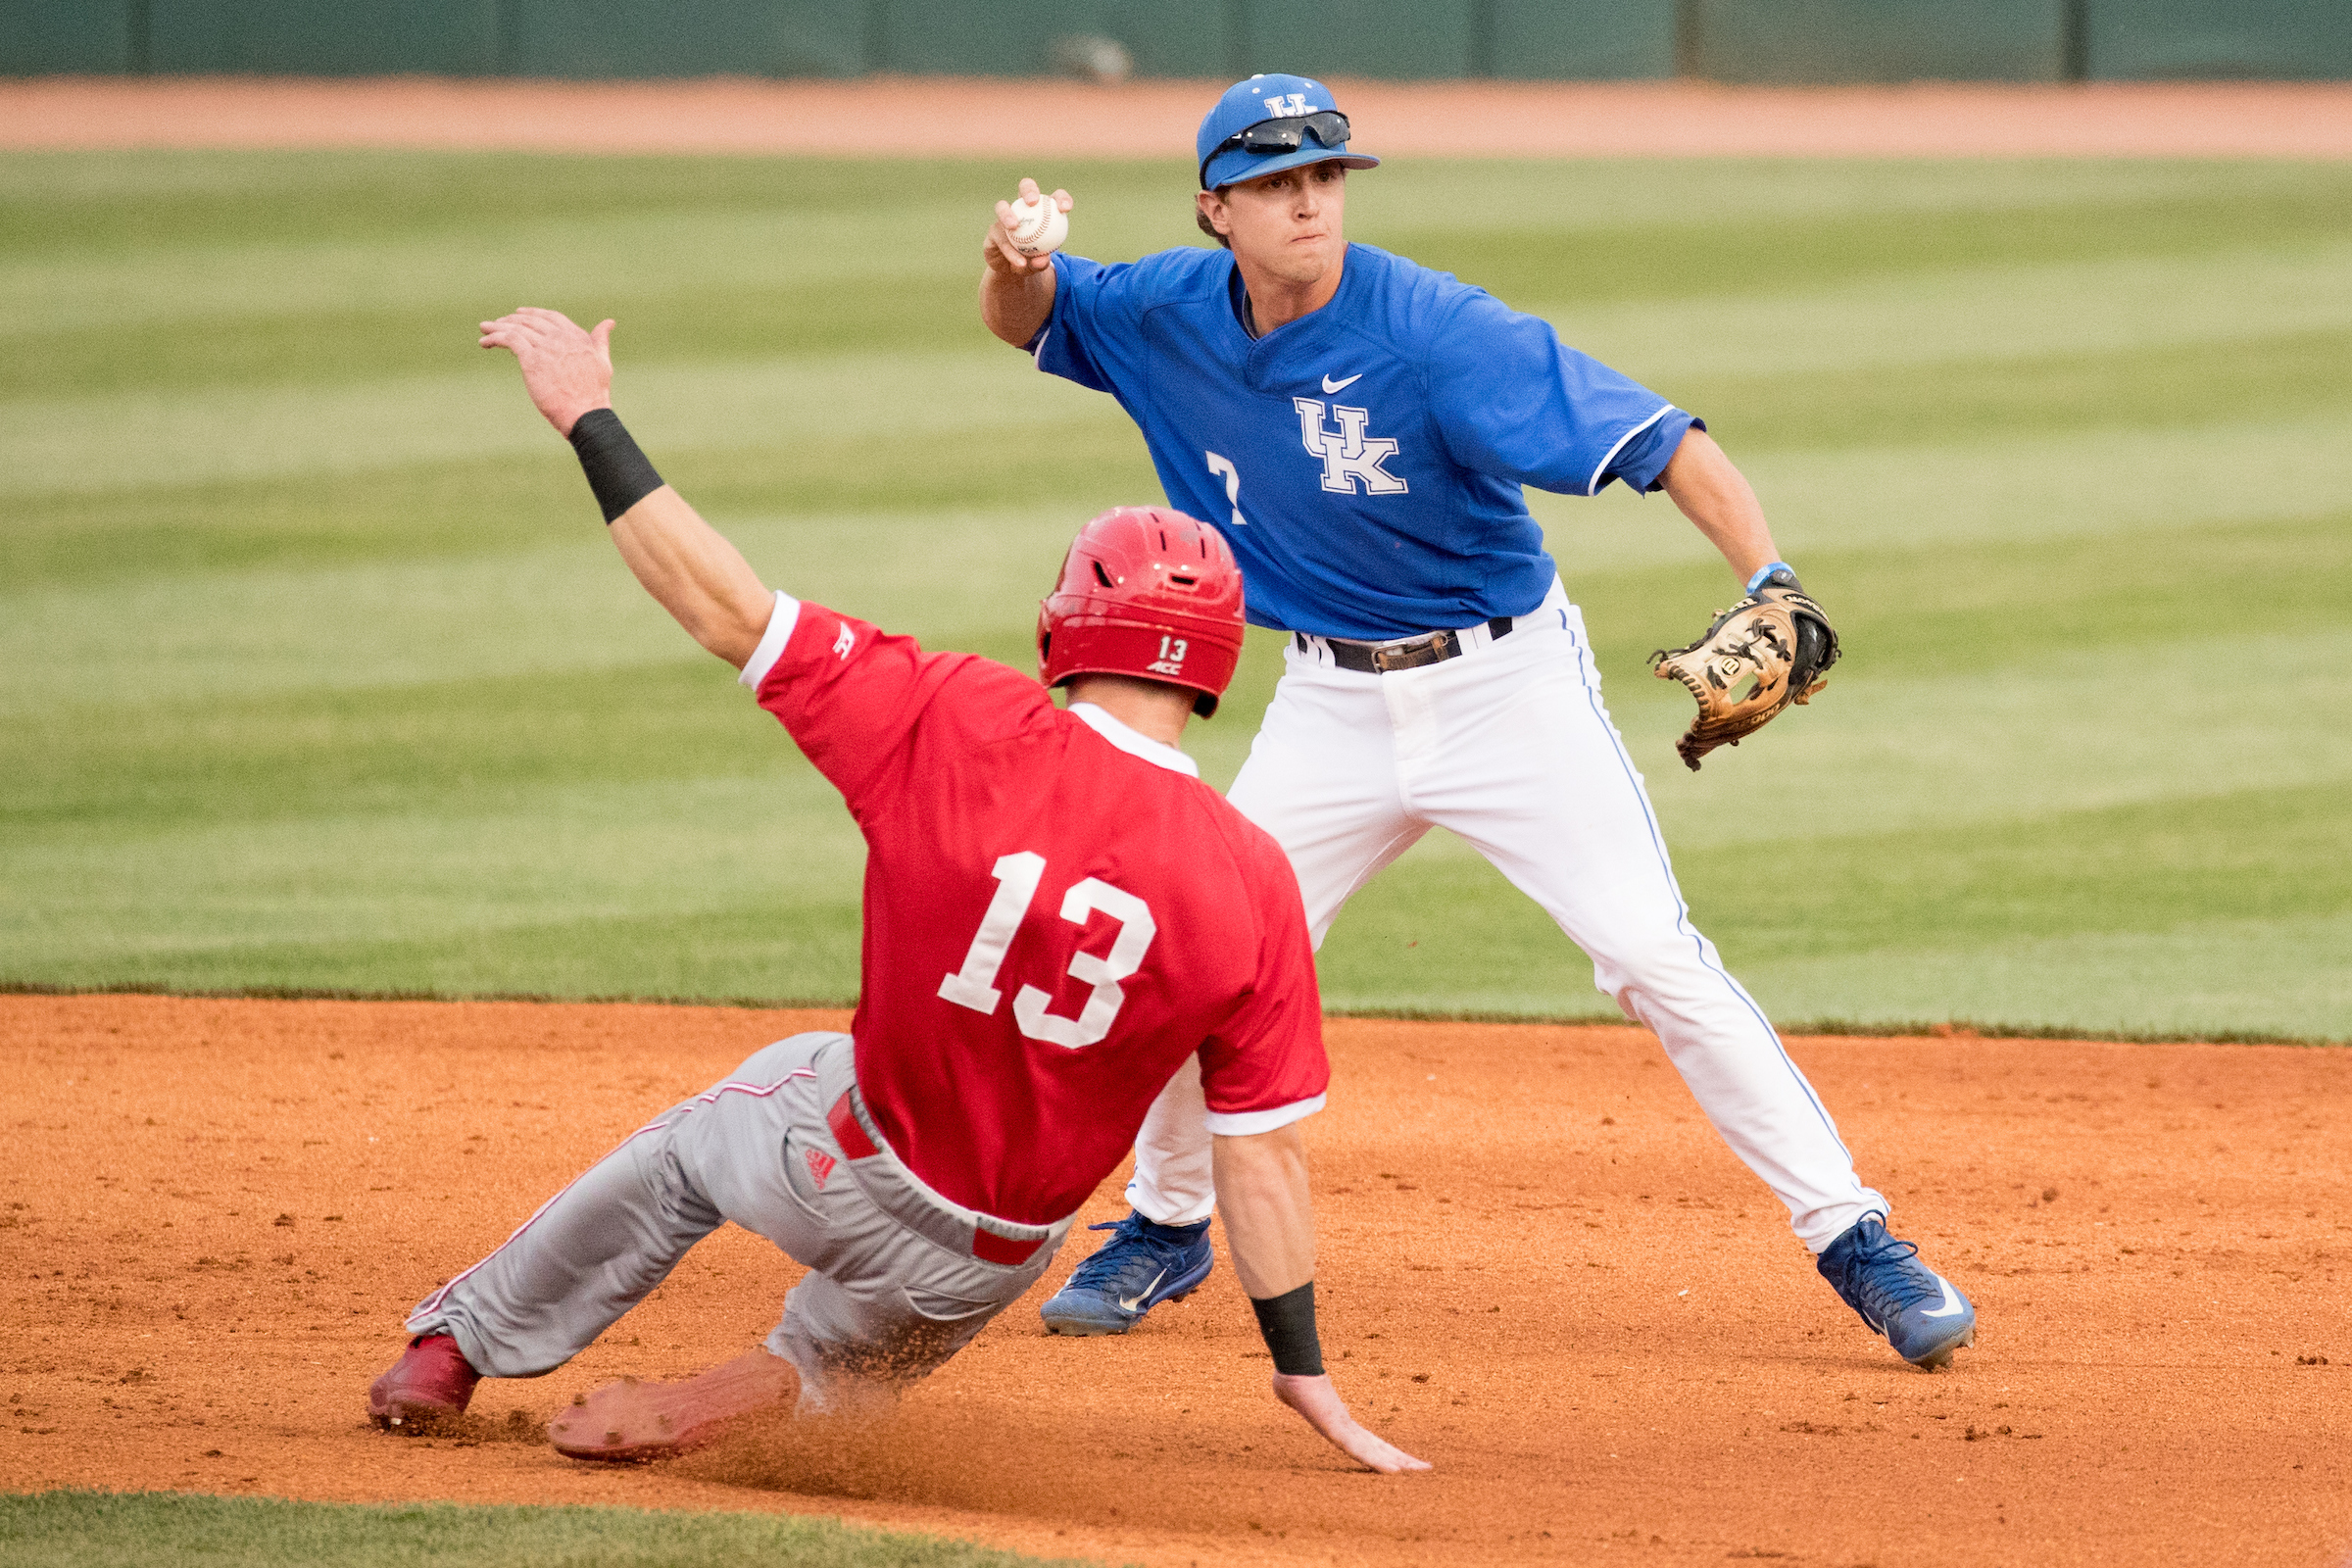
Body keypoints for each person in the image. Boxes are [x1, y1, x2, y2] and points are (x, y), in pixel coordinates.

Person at [978, 74, 1977, 1369]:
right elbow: (1032, 316)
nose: (1310, 203)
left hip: (1506, 689)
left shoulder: (1436, 331)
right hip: (1329, 701)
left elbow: (1667, 440)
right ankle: (1169, 1224)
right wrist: (1009, 261)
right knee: (1196, 944)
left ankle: (1856, 1237)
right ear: (1216, 208)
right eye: (1278, 184)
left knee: (1649, 955)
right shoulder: (1167, 310)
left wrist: (1768, 579)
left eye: (1327, 177)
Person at [364, 305, 1427, 1473]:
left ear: (1063, 622)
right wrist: (1302, 1367)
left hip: (843, 1156)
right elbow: (1261, 1157)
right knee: (862, 1360)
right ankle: (792, 1378)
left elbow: (725, 606)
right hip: (991, 1255)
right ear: (1217, 661)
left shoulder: (961, 716)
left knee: (705, 1134)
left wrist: (588, 415)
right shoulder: (1256, 877)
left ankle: (455, 1347)